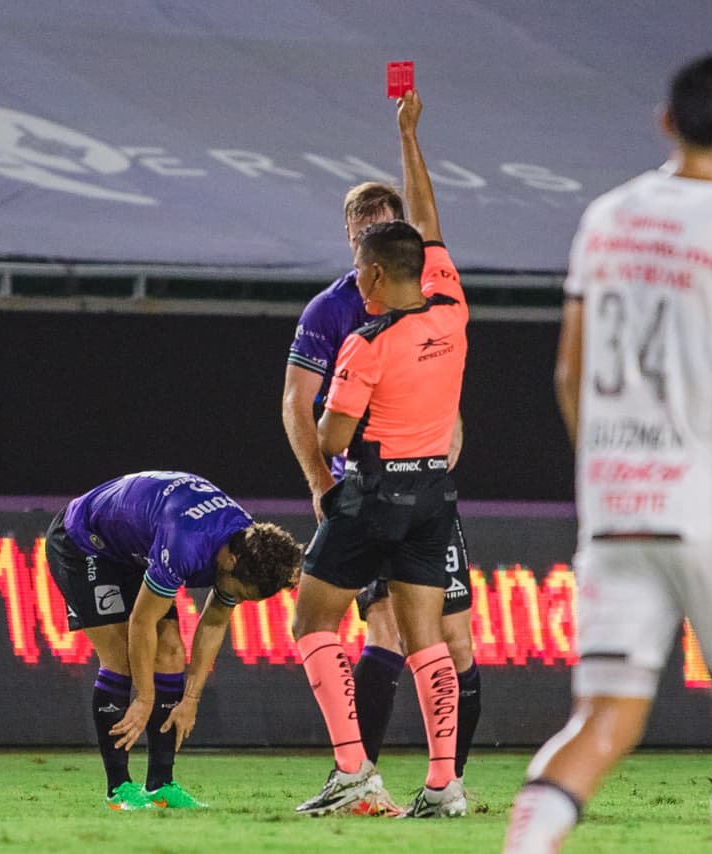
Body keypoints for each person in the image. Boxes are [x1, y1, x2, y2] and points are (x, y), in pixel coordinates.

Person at [503, 55, 712, 854]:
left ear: (664, 122)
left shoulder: (605, 218)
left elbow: (569, 369)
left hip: (620, 505)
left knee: (602, 719)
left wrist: (606, 467)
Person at [290, 88, 470, 819]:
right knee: (427, 640)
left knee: (311, 623)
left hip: (370, 495)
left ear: (369, 275)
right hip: (433, 494)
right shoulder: (454, 310)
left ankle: (355, 772)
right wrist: (410, 135)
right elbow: (426, 222)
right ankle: (442, 785)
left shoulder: (365, 346)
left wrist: (340, 410)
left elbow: (331, 438)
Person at [44, 470, 301, 810]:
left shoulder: (246, 543)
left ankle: (160, 786)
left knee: (170, 652)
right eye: (237, 592)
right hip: (84, 543)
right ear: (230, 561)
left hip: (132, 548)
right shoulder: (186, 542)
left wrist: (191, 698)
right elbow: (141, 622)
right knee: (120, 657)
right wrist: (145, 697)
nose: (231, 599)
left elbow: (214, 622)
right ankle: (118, 790)